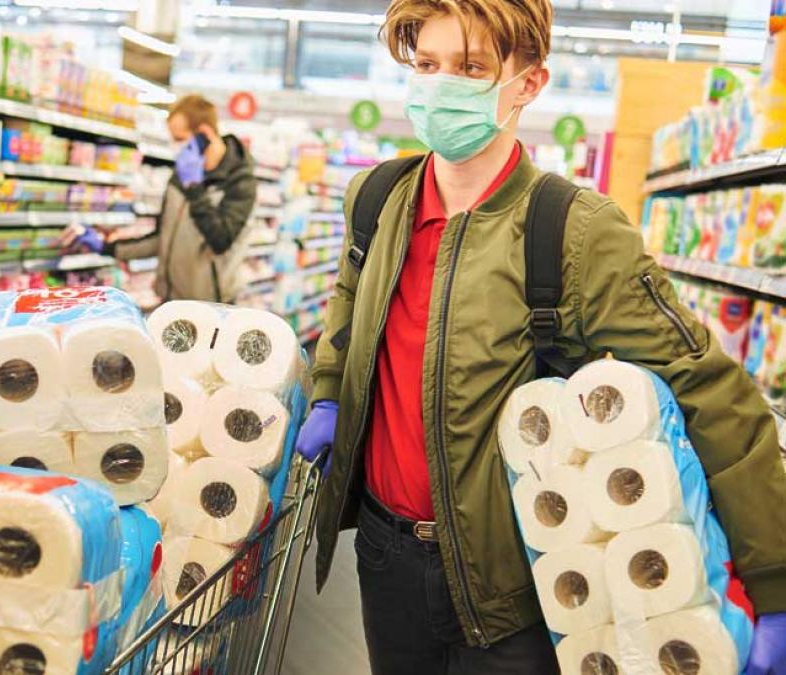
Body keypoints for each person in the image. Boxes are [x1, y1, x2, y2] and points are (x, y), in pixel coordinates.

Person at [292, 0, 786, 673]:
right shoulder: (378, 198)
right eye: (427, 64)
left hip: (518, 583)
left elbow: (707, 387)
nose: (439, 86)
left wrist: (775, 580)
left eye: (470, 68)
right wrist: (328, 390)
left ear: (528, 83)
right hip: (383, 557)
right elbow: (351, 300)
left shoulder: (575, 231)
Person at [62, 95, 256, 303]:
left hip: (212, 305)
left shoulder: (240, 182)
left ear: (204, 135)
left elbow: (220, 240)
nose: (175, 147)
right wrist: (106, 247)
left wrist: (194, 188)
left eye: (180, 139)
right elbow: (161, 237)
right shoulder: (180, 177)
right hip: (170, 301)